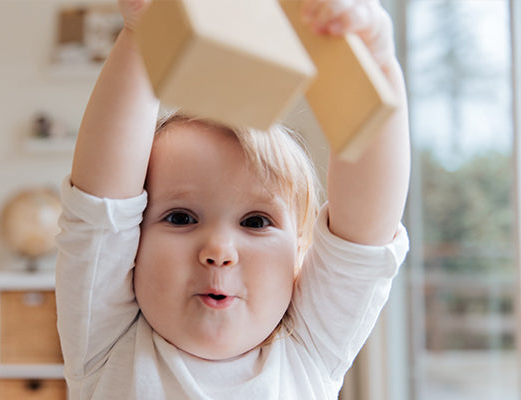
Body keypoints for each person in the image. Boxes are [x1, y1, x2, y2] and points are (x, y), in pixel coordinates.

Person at [55, 0, 410, 398]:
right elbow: (100, 208)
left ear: (298, 254)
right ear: (131, 247)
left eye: (255, 222)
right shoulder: (107, 340)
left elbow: (363, 237)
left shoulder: (309, 348)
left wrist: (377, 67)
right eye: (180, 218)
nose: (218, 250)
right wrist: (145, 33)